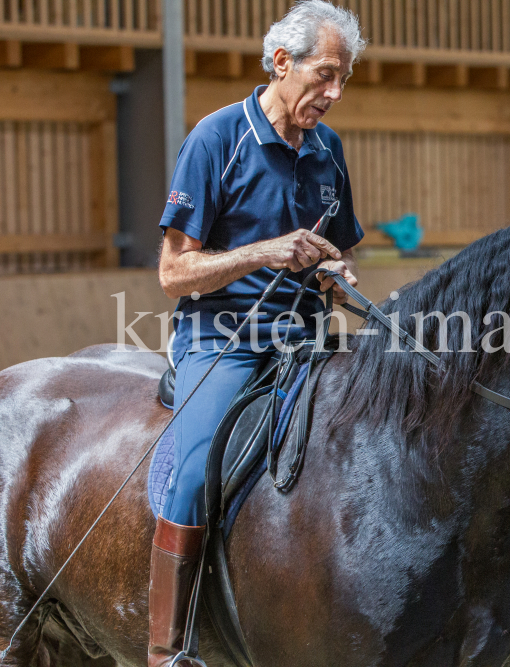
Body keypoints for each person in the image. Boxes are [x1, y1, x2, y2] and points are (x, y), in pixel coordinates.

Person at [149, 2, 366, 663]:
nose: (332, 94)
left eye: (342, 80)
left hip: (308, 338)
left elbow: (338, 248)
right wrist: (264, 251)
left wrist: (334, 269)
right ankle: (168, 646)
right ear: (281, 63)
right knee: (191, 478)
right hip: (223, 337)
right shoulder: (215, 140)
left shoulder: (328, 151)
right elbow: (173, 273)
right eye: (324, 76)